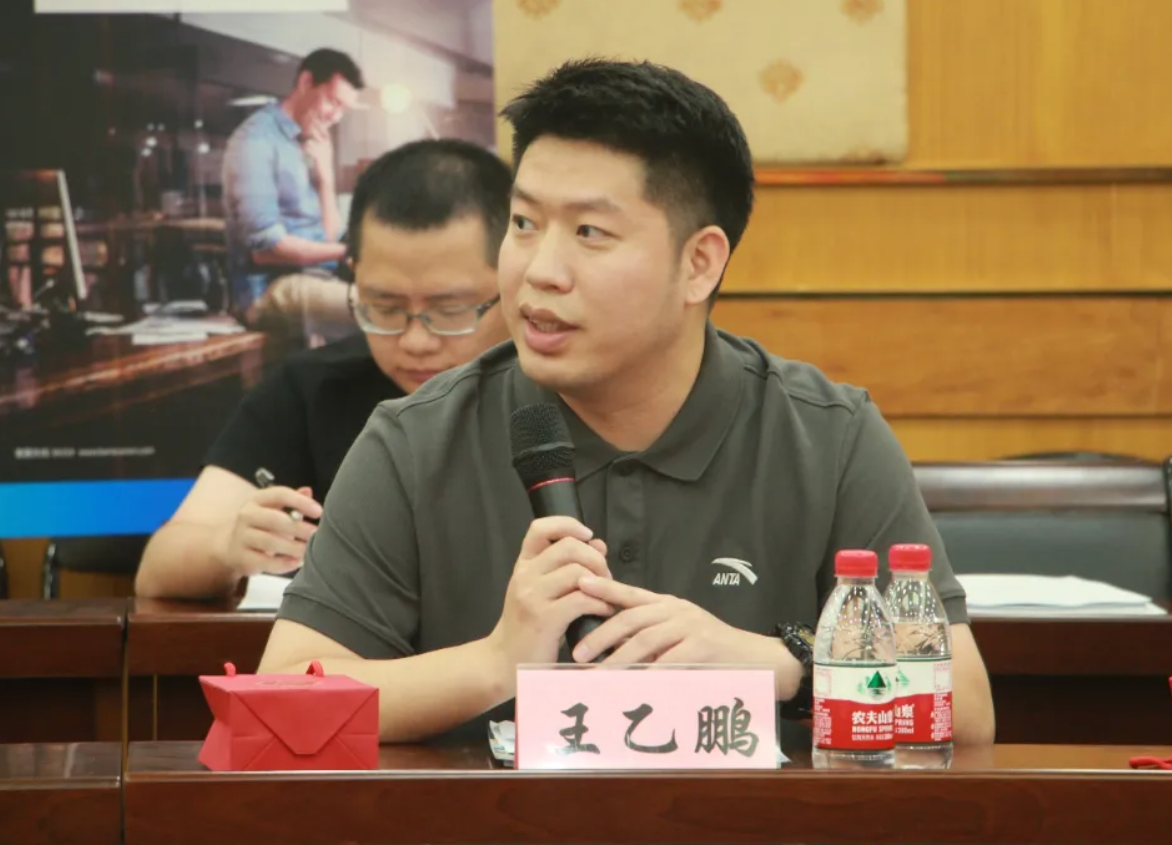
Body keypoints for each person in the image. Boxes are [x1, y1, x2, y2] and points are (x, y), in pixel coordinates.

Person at [257, 59, 997, 748]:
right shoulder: (415, 441)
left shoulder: (826, 436)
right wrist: (496, 663)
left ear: (699, 263)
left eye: (590, 232)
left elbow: (963, 708)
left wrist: (781, 665)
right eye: (524, 223)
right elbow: (283, 699)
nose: (539, 271)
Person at [135, 139, 513, 600]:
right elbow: (158, 569)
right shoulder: (312, 390)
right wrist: (229, 547)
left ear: (515, 277)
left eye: (451, 309)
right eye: (384, 306)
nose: (415, 341)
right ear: (354, 274)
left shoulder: (565, 389)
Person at [222, 48, 363, 342]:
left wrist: (326, 178)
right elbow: (265, 250)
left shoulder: (313, 141)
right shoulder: (256, 140)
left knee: (414, 297)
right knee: (388, 310)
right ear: (306, 82)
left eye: (343, 110)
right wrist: (349, 252)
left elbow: (328, 237)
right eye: (332, 101)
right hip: (267, 291)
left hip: (319, 278)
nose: (335, 117)